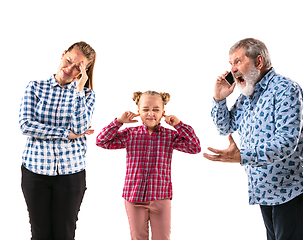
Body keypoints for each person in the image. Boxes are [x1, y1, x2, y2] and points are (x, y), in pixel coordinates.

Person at [203, 38, 303, 240]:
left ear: (259, 62)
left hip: (289, 188)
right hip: (264, 189)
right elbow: (225, 127)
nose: (232, 69)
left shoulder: (285, 89)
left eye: (237, 61)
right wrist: (219, 99)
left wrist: (242, 155)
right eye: (230, 63)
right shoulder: (247, 96)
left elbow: (286, 142)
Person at [96, 91, 201, 240]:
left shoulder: (170, 136)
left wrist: (179, 125)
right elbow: (101, 141)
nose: (150, 113)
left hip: (161, 196)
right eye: (145, 109)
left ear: (163, 113)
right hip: (134, 197)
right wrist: (119, 121)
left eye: (156, 110)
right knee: (138, 237)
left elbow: (195, 147)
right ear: (138, 112)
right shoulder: (129, 134)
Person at [19, 41, 96, 240]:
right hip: (36, 172)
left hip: (71, 174)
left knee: (64, 234)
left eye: (77, 67)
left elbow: (79, 129)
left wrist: (79, 90)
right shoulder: (35, 87)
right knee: (40, 234)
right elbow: (25, 125)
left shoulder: (86, 95)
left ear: (84, 71)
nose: (69, 69)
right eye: (68, 61)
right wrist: (66, 134)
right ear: (63, 54)